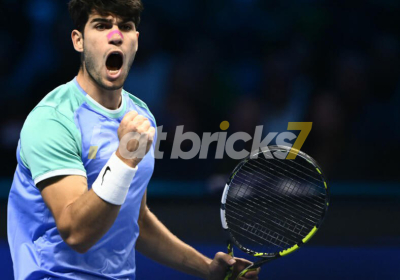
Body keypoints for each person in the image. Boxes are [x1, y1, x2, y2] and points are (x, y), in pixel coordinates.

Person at [7, 0, 260, 279]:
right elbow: (76, 233)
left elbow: (134, 220)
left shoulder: (141, 116)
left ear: (135, 41)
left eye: (125, 27)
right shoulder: (53, 119)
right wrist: (124, 158)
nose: (115, 35)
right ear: (78, 40)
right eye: (101, 25)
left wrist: (206, 268)